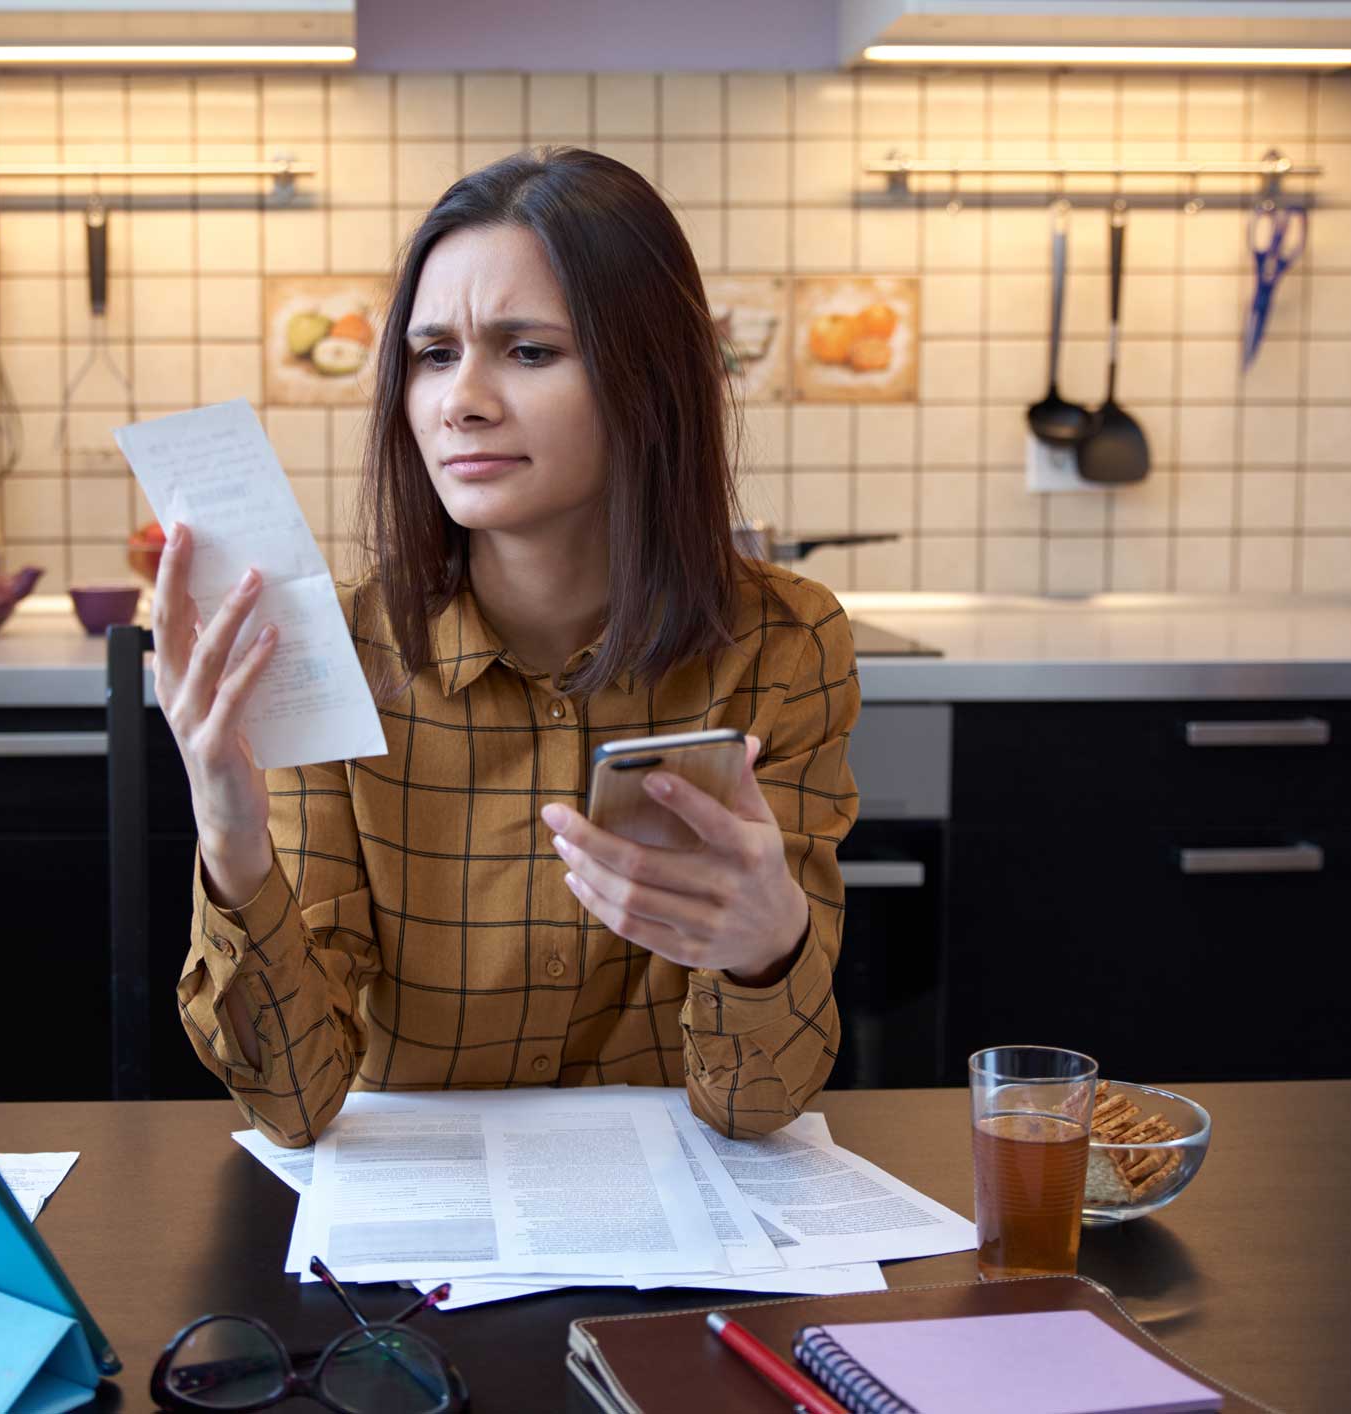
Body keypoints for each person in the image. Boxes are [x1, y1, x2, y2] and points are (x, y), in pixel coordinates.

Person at [153, 146, 859, 1147]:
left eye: (528, 351)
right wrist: (228, 832)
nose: (460, 400)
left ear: (648, 380)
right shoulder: (338, 652)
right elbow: (293, 1104)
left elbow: (755, 1108)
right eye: (434, 354)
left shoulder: (786, 644)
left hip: (673, 1241)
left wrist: (765, 947)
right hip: (418, 1247)